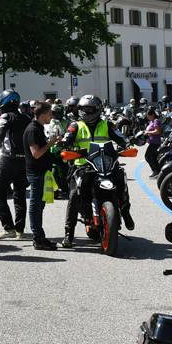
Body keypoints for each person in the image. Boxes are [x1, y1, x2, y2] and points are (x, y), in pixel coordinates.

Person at [61, 93, 131, 248]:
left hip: (106, 164)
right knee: (73, 195)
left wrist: (126, 144)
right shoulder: (75, 125)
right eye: (83, 109)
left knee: (121, 179)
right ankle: (69, 233)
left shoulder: (107, 124)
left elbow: (120, 137)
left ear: (97, 109)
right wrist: (64, 144)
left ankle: (125, 211)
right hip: (82, 165)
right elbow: (67, 138)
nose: (86, 112)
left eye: (89, 108)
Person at [0, 90, 30, 240]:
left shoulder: (4, 117)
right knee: (20, 195)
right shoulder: (26, 117)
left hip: (8, 160)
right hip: (24, 161)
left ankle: (8, 228)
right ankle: (20, 230)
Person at [23, 101, 60, 250]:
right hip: (36, 172)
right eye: (50, 113)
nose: (51, 116)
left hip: (42, 172)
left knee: (40, 205)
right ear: (43, 114)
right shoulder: (33, 129)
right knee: (36, 205)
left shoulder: (39, 127)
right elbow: (36, 153)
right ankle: (38, 238)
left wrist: (54, 141)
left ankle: (40, 236)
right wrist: (50, 144)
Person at [143, 108, 162, 176]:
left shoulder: (156, 121)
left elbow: (158, 131)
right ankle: (158, 171)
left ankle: (155, 171)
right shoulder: (152, 121)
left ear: (153, 115)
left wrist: (148, 132)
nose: (147, 117)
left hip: (155, 142)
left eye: (148, 116)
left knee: (147, 156)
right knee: (153, 158)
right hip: (152, 142)